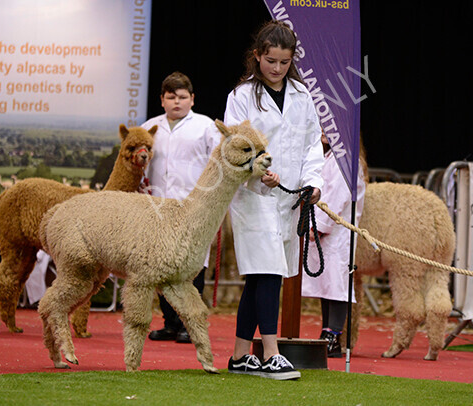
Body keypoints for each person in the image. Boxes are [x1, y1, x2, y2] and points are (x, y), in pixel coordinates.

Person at [224, 20, 324, 380]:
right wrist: (255, 169)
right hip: (254, 197)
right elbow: (233, 146)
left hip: (289, 200)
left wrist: (313, 182)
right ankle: (270, 354)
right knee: (267, 273)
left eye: (283, 62)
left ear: (292, 60)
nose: (277, 68)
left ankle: (239, 356)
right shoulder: (241, 97)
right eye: (270, 61)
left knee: (261, 276)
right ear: (257, 56)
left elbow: (314, 144)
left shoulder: (302, 95)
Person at [142, 72, 219, 344]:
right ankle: (170, 323)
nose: (177, 102)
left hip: (193, 208)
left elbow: (218, 165)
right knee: (162, 267)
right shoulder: (150, 127)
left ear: (192, 99)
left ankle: (190, 323)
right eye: (171, 97)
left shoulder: (206, 127)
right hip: (158, 207)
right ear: (162, 100)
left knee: (192, 266)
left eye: (183, 97)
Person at [301, 133, 367, 357]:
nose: (322, 132)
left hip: (337, 230)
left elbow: (337, 197)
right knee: (326, 282)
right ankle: (326, 332)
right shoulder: (328, 157)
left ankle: (333, 335)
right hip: (325, 228)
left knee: (337, 282)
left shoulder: (345, 160)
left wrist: (320, 226)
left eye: (328, 128)